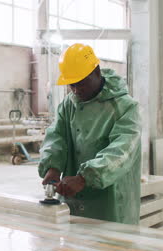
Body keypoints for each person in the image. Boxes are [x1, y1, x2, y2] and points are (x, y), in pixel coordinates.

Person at [38, 43, 142, 224]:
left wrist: (85, 177)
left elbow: (122, 152)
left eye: (82, 83)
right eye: (72, 85)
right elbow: (56, 137)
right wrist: (53, 167)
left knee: (110, 247)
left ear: (97, 72)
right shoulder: (68, 105)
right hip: (72, 201)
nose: (77, 90)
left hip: (110, 203)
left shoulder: (125, 107)